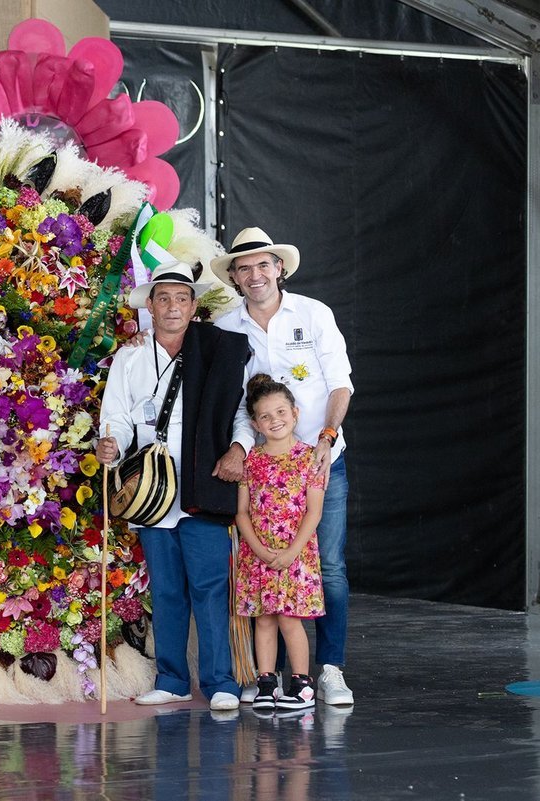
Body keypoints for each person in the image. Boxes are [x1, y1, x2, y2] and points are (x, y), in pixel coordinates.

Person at [95, 261, 253, 711]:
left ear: (194, 305)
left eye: (181, 298)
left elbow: (240, 411)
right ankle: (172, 679)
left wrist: (239, 448)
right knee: (165, 589)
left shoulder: (218, 349)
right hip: (150, 488)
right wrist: (111, 443)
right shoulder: (130, 356)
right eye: (163, 298)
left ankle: (221, 682)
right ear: (150, 304)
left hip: (204, 482)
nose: (172, 306)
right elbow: (118, 416)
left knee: (209, 586)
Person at [211, 227, 355, 706]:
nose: (255, 275)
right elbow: (237, 404)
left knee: (328, 567)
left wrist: (326, 437)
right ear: (234, 277)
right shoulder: (229, 328)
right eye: (244, 267)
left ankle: (328, 669)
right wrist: (238, 447)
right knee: (264, 574)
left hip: (319, 463)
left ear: (280, 268)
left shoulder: (313, 314)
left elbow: (341, 384)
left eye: (263, 264)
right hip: (266, 474)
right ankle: (267, 676)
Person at [235, 374, 326, 712]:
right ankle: (267, 682)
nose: (275, 420)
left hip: (296, 554)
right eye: (266, 416)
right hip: (257, 553)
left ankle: (302, 686)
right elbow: (242, 513)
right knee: (264, 619)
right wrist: (259, 549)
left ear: (295, 413)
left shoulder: (309, 459)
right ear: (256, 423)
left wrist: (290, 552)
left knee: (290, 619)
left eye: (281, 412)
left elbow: (314, 513)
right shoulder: (251, 461)